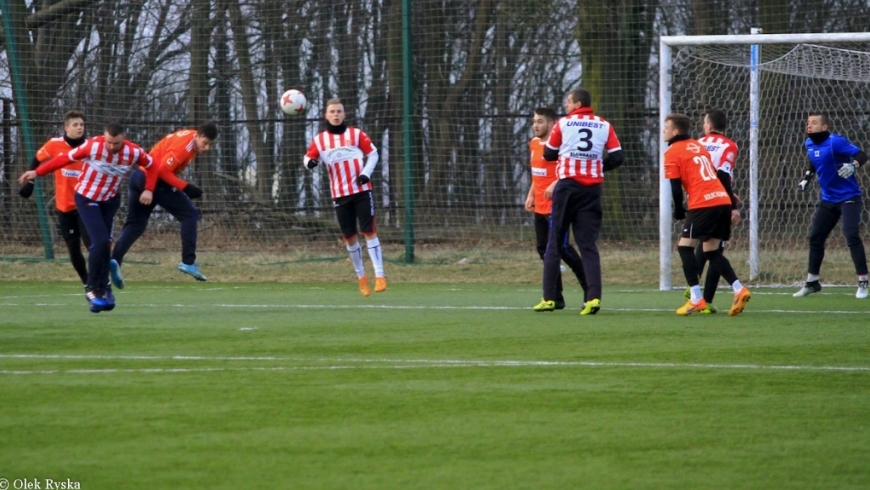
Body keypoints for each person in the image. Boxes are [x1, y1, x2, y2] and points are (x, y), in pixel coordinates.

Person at [18, 121, 155, 313]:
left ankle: (104, 288)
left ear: (123, 139)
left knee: (105, 244)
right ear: (104, 137)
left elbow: (152, 166)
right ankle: (92, 289)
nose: (111, 146)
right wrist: (37, 172)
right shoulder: (93, 145)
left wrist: (149, 189)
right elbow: (63, 159)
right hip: (86, 199)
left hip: (109, 201)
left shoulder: (134, 152)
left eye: (115, 143)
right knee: (98, 242)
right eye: (108, 142)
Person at [532, 88, 624, 315]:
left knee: (554, 242)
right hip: (592, 190)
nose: (565, 105)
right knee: (588, 245)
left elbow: (550, 154)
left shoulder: (563, 124)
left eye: (568, 101)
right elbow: (618, 157)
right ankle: (593, 298)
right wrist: (598, 165)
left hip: (567, 188)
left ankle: (549, 298)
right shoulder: (604, 124)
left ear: (578, 103)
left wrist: (567, 155)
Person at [109, 122, 218, 288]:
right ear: (198, 136)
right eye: (205, 143)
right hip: (152, 180)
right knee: (190, 215)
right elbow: (161, 170)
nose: (207, 148)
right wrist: (185, 187)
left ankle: (114, 260)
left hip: (139, 176)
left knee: (136, 224)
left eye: (211, 145)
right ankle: (188, 262)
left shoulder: (191, 136)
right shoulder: (186, 146)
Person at [663, 113, 751, 316]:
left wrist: (677, 209)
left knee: (685, 248)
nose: (664, 131)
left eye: (666, 127)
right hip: (721, 200)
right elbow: (719, 174)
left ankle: (696, 298)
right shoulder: (697, 146)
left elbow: (676, 187)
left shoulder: (672, 152)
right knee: (711, 252)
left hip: (704, 203)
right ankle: (739, 289)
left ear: (675, 131)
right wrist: (729, 197)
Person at [304, 98, 385, 297]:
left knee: (369, 231)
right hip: (340, 195)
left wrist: (366, 173)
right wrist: (310, 164)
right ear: (326, 115)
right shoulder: (321, 140)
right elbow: (308, 158)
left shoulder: (356, 134)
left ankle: (380, 275)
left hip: (362, 191)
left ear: (344, 114)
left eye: (339, 111)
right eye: (332, 111)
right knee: (349, 238)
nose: (336, 114)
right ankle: (361, 277)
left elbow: (373, 154)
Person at [794, 113, 868, 299]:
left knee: (851, 234)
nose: (809, 126)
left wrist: (854, 165)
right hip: (828, 199)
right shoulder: (809, 143)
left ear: (825, 127)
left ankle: (863, 281)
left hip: (849, 197)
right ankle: (812, 282)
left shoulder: (836, 142)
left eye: (814, 123)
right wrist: (806, 178)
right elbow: (814, 160)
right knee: (816, 237)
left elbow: (862, 155)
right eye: (808, 122)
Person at [18, 110, 91, 295]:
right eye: (75, 125)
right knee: (74, 250)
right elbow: (37, 160)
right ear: (66, 128)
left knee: (93, 244)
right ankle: (88, 285)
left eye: (82, 124)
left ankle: (101, 281)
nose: (79, 128)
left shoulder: (91, 147)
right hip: (64, 207)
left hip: (86, 205)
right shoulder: (54, 145)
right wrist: (31, 183)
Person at [524, 107, 587, 310]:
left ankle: (591, 290)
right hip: (540, 207)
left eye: (540, 121)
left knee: (563, 249)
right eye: (534, 121)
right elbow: (537, 173)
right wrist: (531, 194)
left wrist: (555, 184)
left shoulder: (560, 147)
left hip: (557, 205)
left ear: (552, 124)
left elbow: (569, 170)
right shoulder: (533, 144)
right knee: (544, 250)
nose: (536, 125)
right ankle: (556, 297)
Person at [688, 109, 742, 313]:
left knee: (701, 246)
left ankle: (696, 294)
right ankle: (703, 298)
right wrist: (731, 202)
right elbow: (724, 175)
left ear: (708, 126)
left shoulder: (696, 144)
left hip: (699, 199)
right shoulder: (730, 145)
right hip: (719, 201)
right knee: (714, 248)